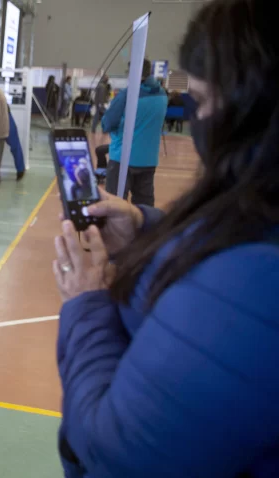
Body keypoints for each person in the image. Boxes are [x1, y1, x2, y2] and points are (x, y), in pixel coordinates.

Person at [52, 0, 279, 476]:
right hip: (148, 159)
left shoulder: (251, 285)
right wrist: (148, 228)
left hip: (120, 154)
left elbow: (115, 451)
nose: (196, 114)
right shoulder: (251, 208)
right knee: (136, 197)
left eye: (200, 100)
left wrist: (88, 302)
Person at [101, 59, 168, 206]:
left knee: (115, 205)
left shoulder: (127, 95)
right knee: (144, 207)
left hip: (122, 159)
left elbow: (108, 124)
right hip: (148, 160)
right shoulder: (163, 95)